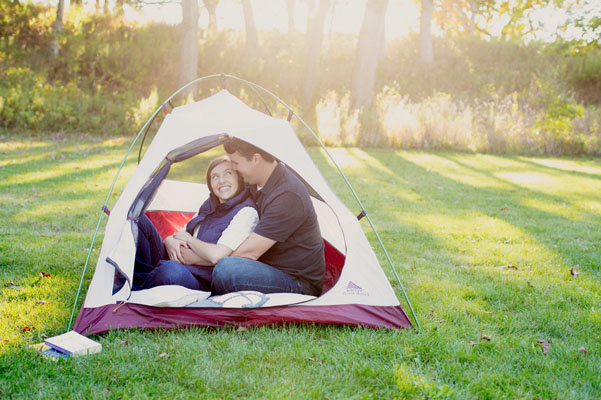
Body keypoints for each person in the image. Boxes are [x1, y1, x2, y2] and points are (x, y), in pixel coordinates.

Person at [211, 138, 325, 297]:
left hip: (296, 281)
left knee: (226, 270)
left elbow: (250, 252)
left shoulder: (288, 194)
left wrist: (207, 257)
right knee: (222, 265)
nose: (234, 169)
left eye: (236, 163)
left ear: (256, 159)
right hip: (265, 266)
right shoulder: (253, 181)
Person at [132, 155, 258, 291]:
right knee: (139, 219)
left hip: (199, 278)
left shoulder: (246, 212)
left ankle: (142, 287)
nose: (221, 181)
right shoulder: (209, 205)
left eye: (228, 173)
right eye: (214, 176)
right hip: (177, 258)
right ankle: (143, 278)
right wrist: (169, 241)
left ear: (239, 178)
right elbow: (181, 234)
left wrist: (189, 240)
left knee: (171, 271)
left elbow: (216, 255)